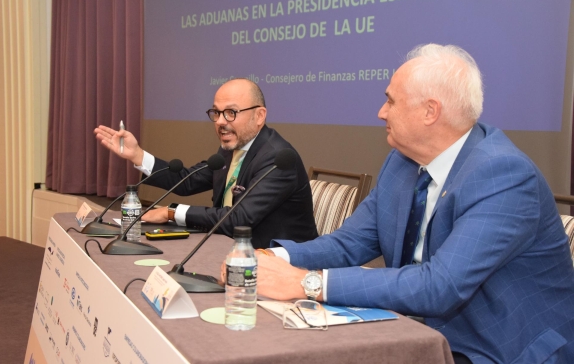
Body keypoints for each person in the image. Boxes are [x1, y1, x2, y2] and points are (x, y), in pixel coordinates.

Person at [250, 45, 574, 363]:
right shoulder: (401, 162)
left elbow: (440, 285)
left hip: (495, 348)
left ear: (430, 111)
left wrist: (305, 282)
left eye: (391, 100)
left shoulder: (502, 175)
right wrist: (270, 258)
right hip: (413, 330)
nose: (381, 112)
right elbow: (351, 243)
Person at [94, 78, 318, 248]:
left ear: (259, 116)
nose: (220, 122)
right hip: (227, 249)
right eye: (216, 113)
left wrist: (171, 212)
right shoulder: (231, 149)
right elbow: (185, 182)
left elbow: (238, 219)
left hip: (278, 261)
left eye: (230, 113)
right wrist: (138, 155)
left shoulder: (277, 158)